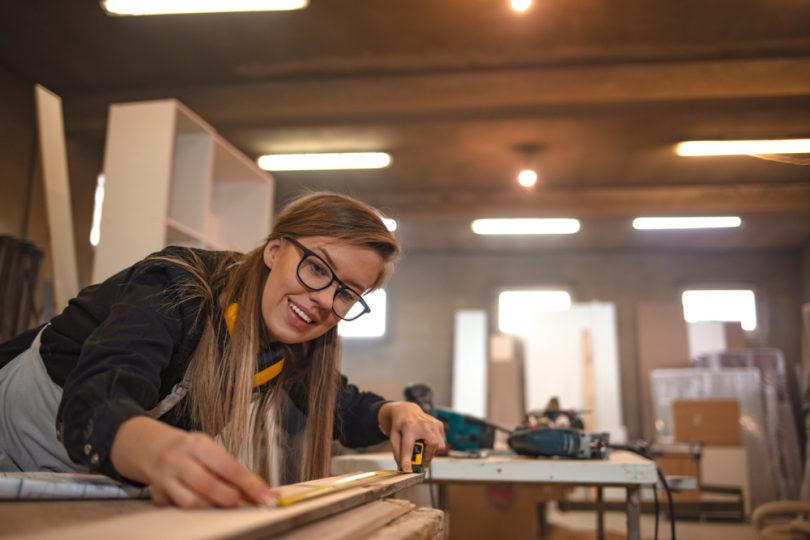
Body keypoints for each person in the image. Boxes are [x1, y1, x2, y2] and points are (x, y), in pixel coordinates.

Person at [0, 191, 446, 508]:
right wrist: (157, 450)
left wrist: (397, 413)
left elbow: (344, 407)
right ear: (275, 251)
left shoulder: (293, 346)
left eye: (347, 293)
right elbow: (99, 397)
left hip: (78, 477)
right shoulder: (176, 285)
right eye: (316, 268)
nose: (325, 301)